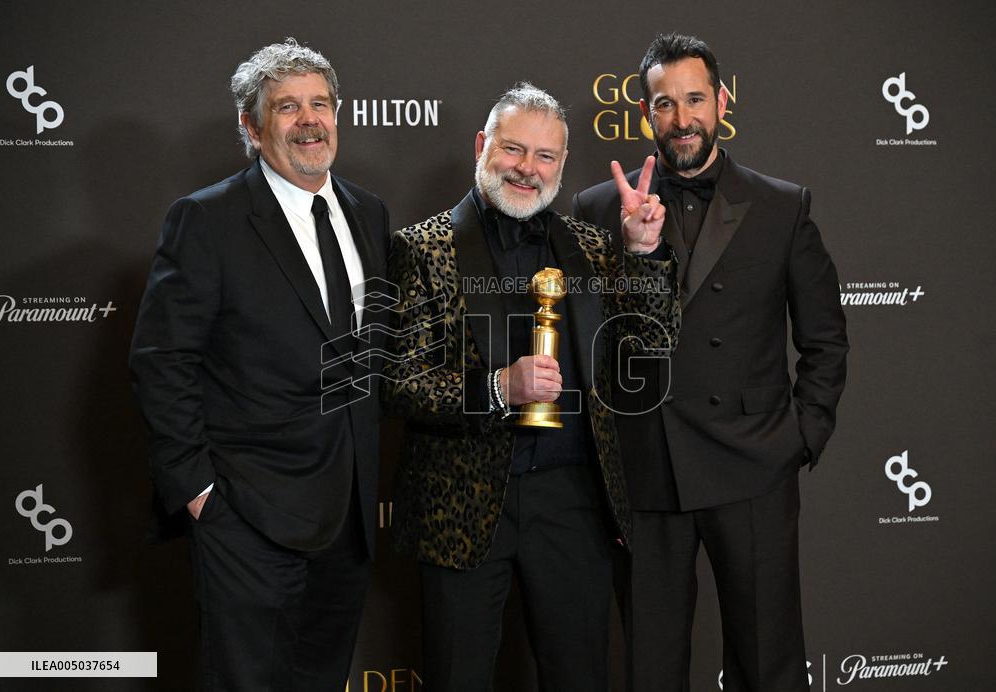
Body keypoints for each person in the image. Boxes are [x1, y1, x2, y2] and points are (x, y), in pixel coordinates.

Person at [573, 33, 848, 692]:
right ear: (645, 115)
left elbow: (825, 340)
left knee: (769, 665)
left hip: (753, 467)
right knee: (652, 668)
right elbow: (595, 349)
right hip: (649, 475)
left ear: (722, 102)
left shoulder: (783, 206)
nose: (682, 118)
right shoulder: (596, 209)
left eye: (695, 99)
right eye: (665, 104)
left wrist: (799, 439)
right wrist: (632, 254)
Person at [383, 82, 679, 692]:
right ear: (481, 146)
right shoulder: (424, 247)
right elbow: (400, 382)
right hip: (461, 506)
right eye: (514, 149)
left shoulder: (595, 248)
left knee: (579, 677)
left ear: (563, 165)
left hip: (572, 502)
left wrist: (645, 253)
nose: (527, 168)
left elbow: (648, 348)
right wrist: (496, 388)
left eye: (545, 157)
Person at [129, 38, 390, 691]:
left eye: (320, 104)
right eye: (286, 107)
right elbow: (162, 362)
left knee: (321, 680)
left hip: (347, 520)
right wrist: (200, 496)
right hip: (248, 516)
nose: (309, 120)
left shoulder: (368, 214)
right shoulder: (207, 219)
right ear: (250, 127)